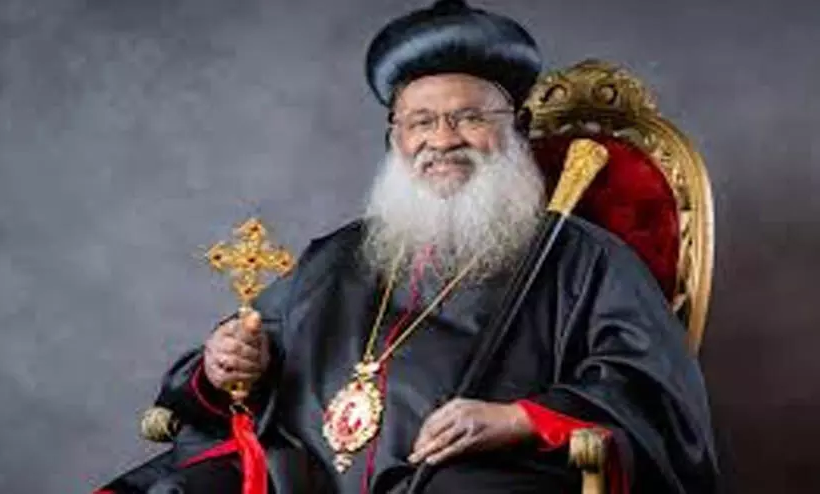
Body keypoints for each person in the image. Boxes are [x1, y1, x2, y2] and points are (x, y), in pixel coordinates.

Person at [97, 1, 718, 493]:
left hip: (472, 478)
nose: (442, 140)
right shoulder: (339, 256)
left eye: (469, 118)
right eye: (420, 121)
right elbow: (242, 361)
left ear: (519, 130)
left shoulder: (583, 259)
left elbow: (648, 391)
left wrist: (517, 419)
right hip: (306, 475)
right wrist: (228, 362)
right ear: (394, 139)